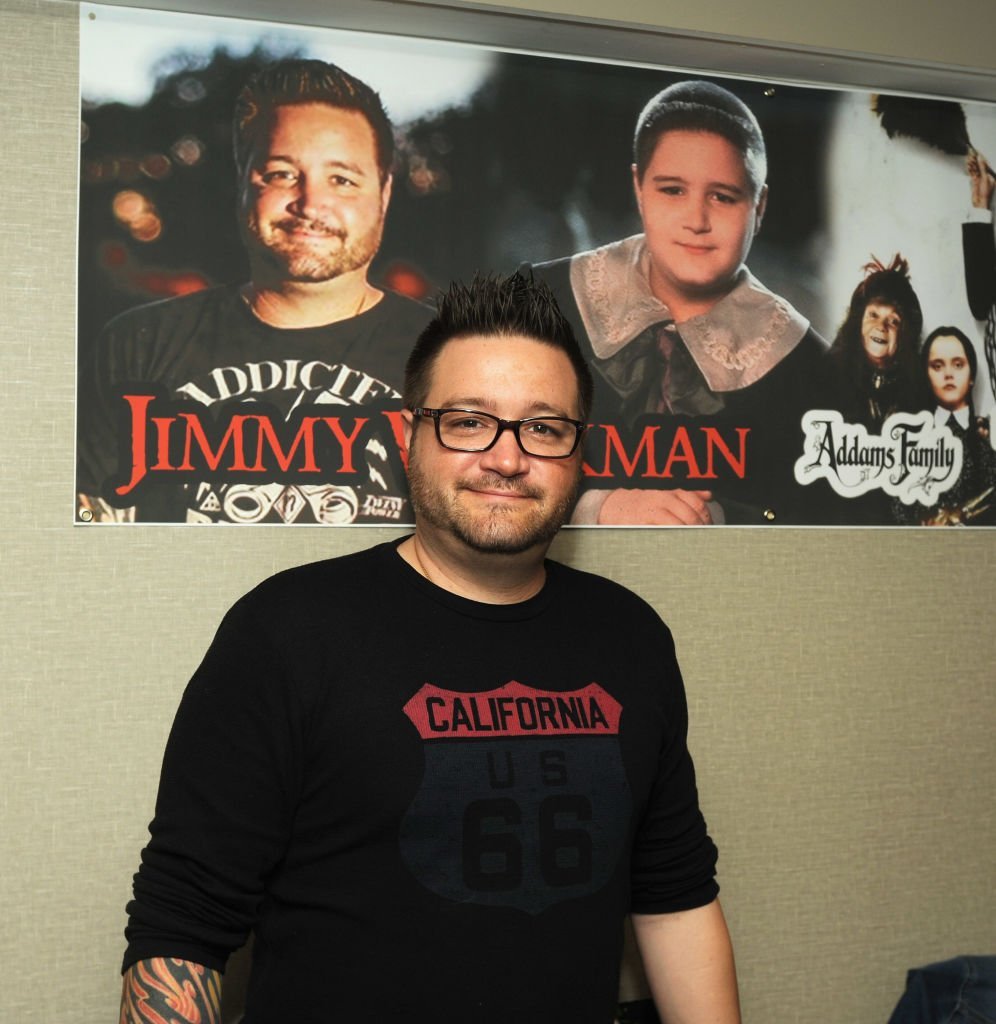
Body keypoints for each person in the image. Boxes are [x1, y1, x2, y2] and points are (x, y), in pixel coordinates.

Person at [119, 272, 741, 1024]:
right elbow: (182, 926)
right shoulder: (287, 631)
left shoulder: (631, 637)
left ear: (581, 454)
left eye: (543, 428)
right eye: (468, 421)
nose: (507, 459)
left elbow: (674, 898)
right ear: (404, 436)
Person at [77, 59, 431, 525]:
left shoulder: (450, 353)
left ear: (383, 194)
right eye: (282, 173)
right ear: (243, 179)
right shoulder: (138, 343)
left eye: (342, 180)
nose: (309, 204)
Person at [530, 79, 827, 526]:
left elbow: (827, 520)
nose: (696, 220)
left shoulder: (808, 366)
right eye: (672, 190)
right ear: (639, 187)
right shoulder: (536, 301)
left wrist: (719, 520)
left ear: (759, 206)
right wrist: (596, 508)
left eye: (723, 197)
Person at [894, 326, 995, 525]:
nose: (948, 374)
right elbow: (897, 507)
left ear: (972, 374)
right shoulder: (909, 439)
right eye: (937, 366)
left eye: (958, 365)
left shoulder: (988, 437)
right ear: (926, 375)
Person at [825, 254, 924, 432]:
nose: (881, 327)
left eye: (894, 321)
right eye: (873, 315)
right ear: (858, 322)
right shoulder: (829, 374)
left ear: (905, 334)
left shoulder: (920, 386)